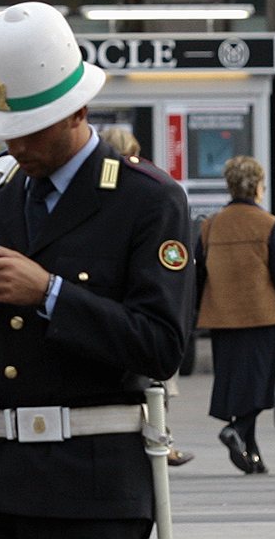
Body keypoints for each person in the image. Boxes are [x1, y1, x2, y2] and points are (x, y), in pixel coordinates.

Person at [0, 2, 194, 538]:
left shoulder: (147, 200)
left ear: (77, 111)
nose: (17, 145)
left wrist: (48, 293)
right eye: (7, 130)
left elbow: (161, 346)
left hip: (92, 487)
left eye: (32, 128)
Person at [195, 155, 275, 475]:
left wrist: (191, 316)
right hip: (262, 317)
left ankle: (252, 452)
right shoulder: (267, 224)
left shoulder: (210, 225)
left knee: (236, 383)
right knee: (262, 384)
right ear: (257, 186)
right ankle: (237, 429)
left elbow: (198, 275)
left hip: (222, 319)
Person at [99, 125, 195, 467]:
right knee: (157, 377)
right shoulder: (151, 190)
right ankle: (159, 436)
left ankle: (155, 435)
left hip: (114, 311)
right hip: (143, 310)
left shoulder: (105, 194)